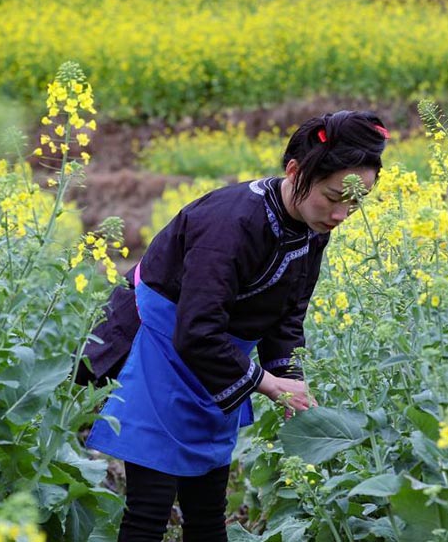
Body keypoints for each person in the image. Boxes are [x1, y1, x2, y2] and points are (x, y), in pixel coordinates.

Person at [81, 110, 389, 541]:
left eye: (356, 200)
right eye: (334, 196)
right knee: (149, 510)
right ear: (295, 171)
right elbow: (196, 329)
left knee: (208, 512)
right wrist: (266, 383)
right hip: (163, 352)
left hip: (215, 362)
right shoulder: (231, 221)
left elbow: (287, 315)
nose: (342, 213)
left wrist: (290, 380)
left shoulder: (313, 227)